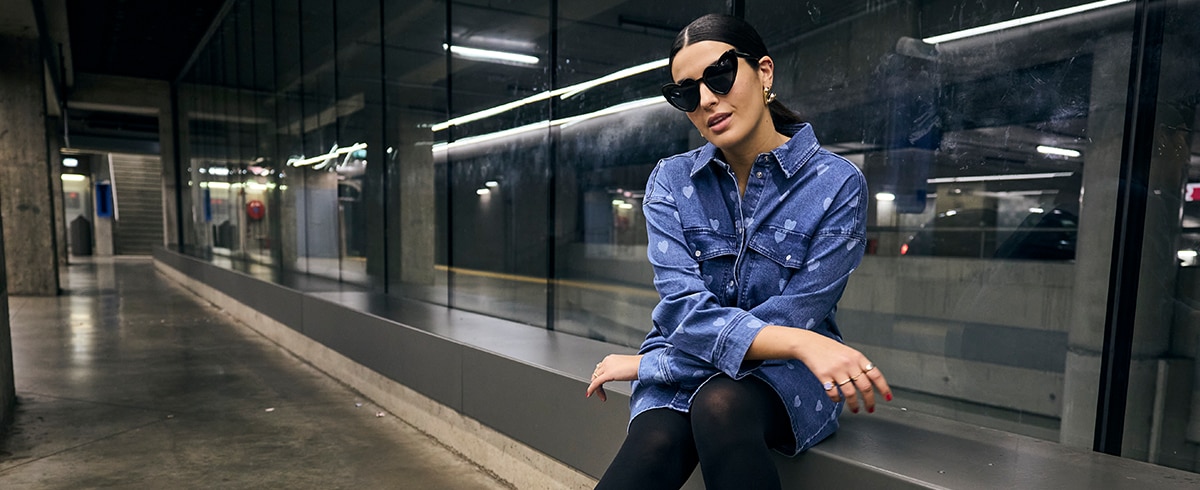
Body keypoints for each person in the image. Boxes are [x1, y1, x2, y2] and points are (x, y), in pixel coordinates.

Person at [585, 13, 892, 489]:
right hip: (715, 361)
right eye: (686, 92)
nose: (707, 99)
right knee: (655, 445)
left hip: (783, 377)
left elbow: (797, 318)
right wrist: (807, 344)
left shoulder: (836, 185)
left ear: (764, 72)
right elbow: (685, 313)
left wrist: (651, 364)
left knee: (720, 404)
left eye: (720, 75)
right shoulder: (671, 181)